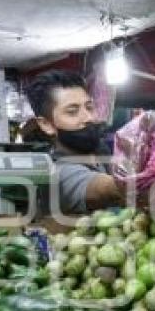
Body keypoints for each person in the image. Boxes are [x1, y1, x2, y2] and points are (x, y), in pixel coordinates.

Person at [25, 70, 123, 214]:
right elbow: (105, 190)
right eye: (72, 112)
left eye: (89, 107)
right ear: (46, 124)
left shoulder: (101, 154)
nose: (88, 117)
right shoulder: (56, 173)